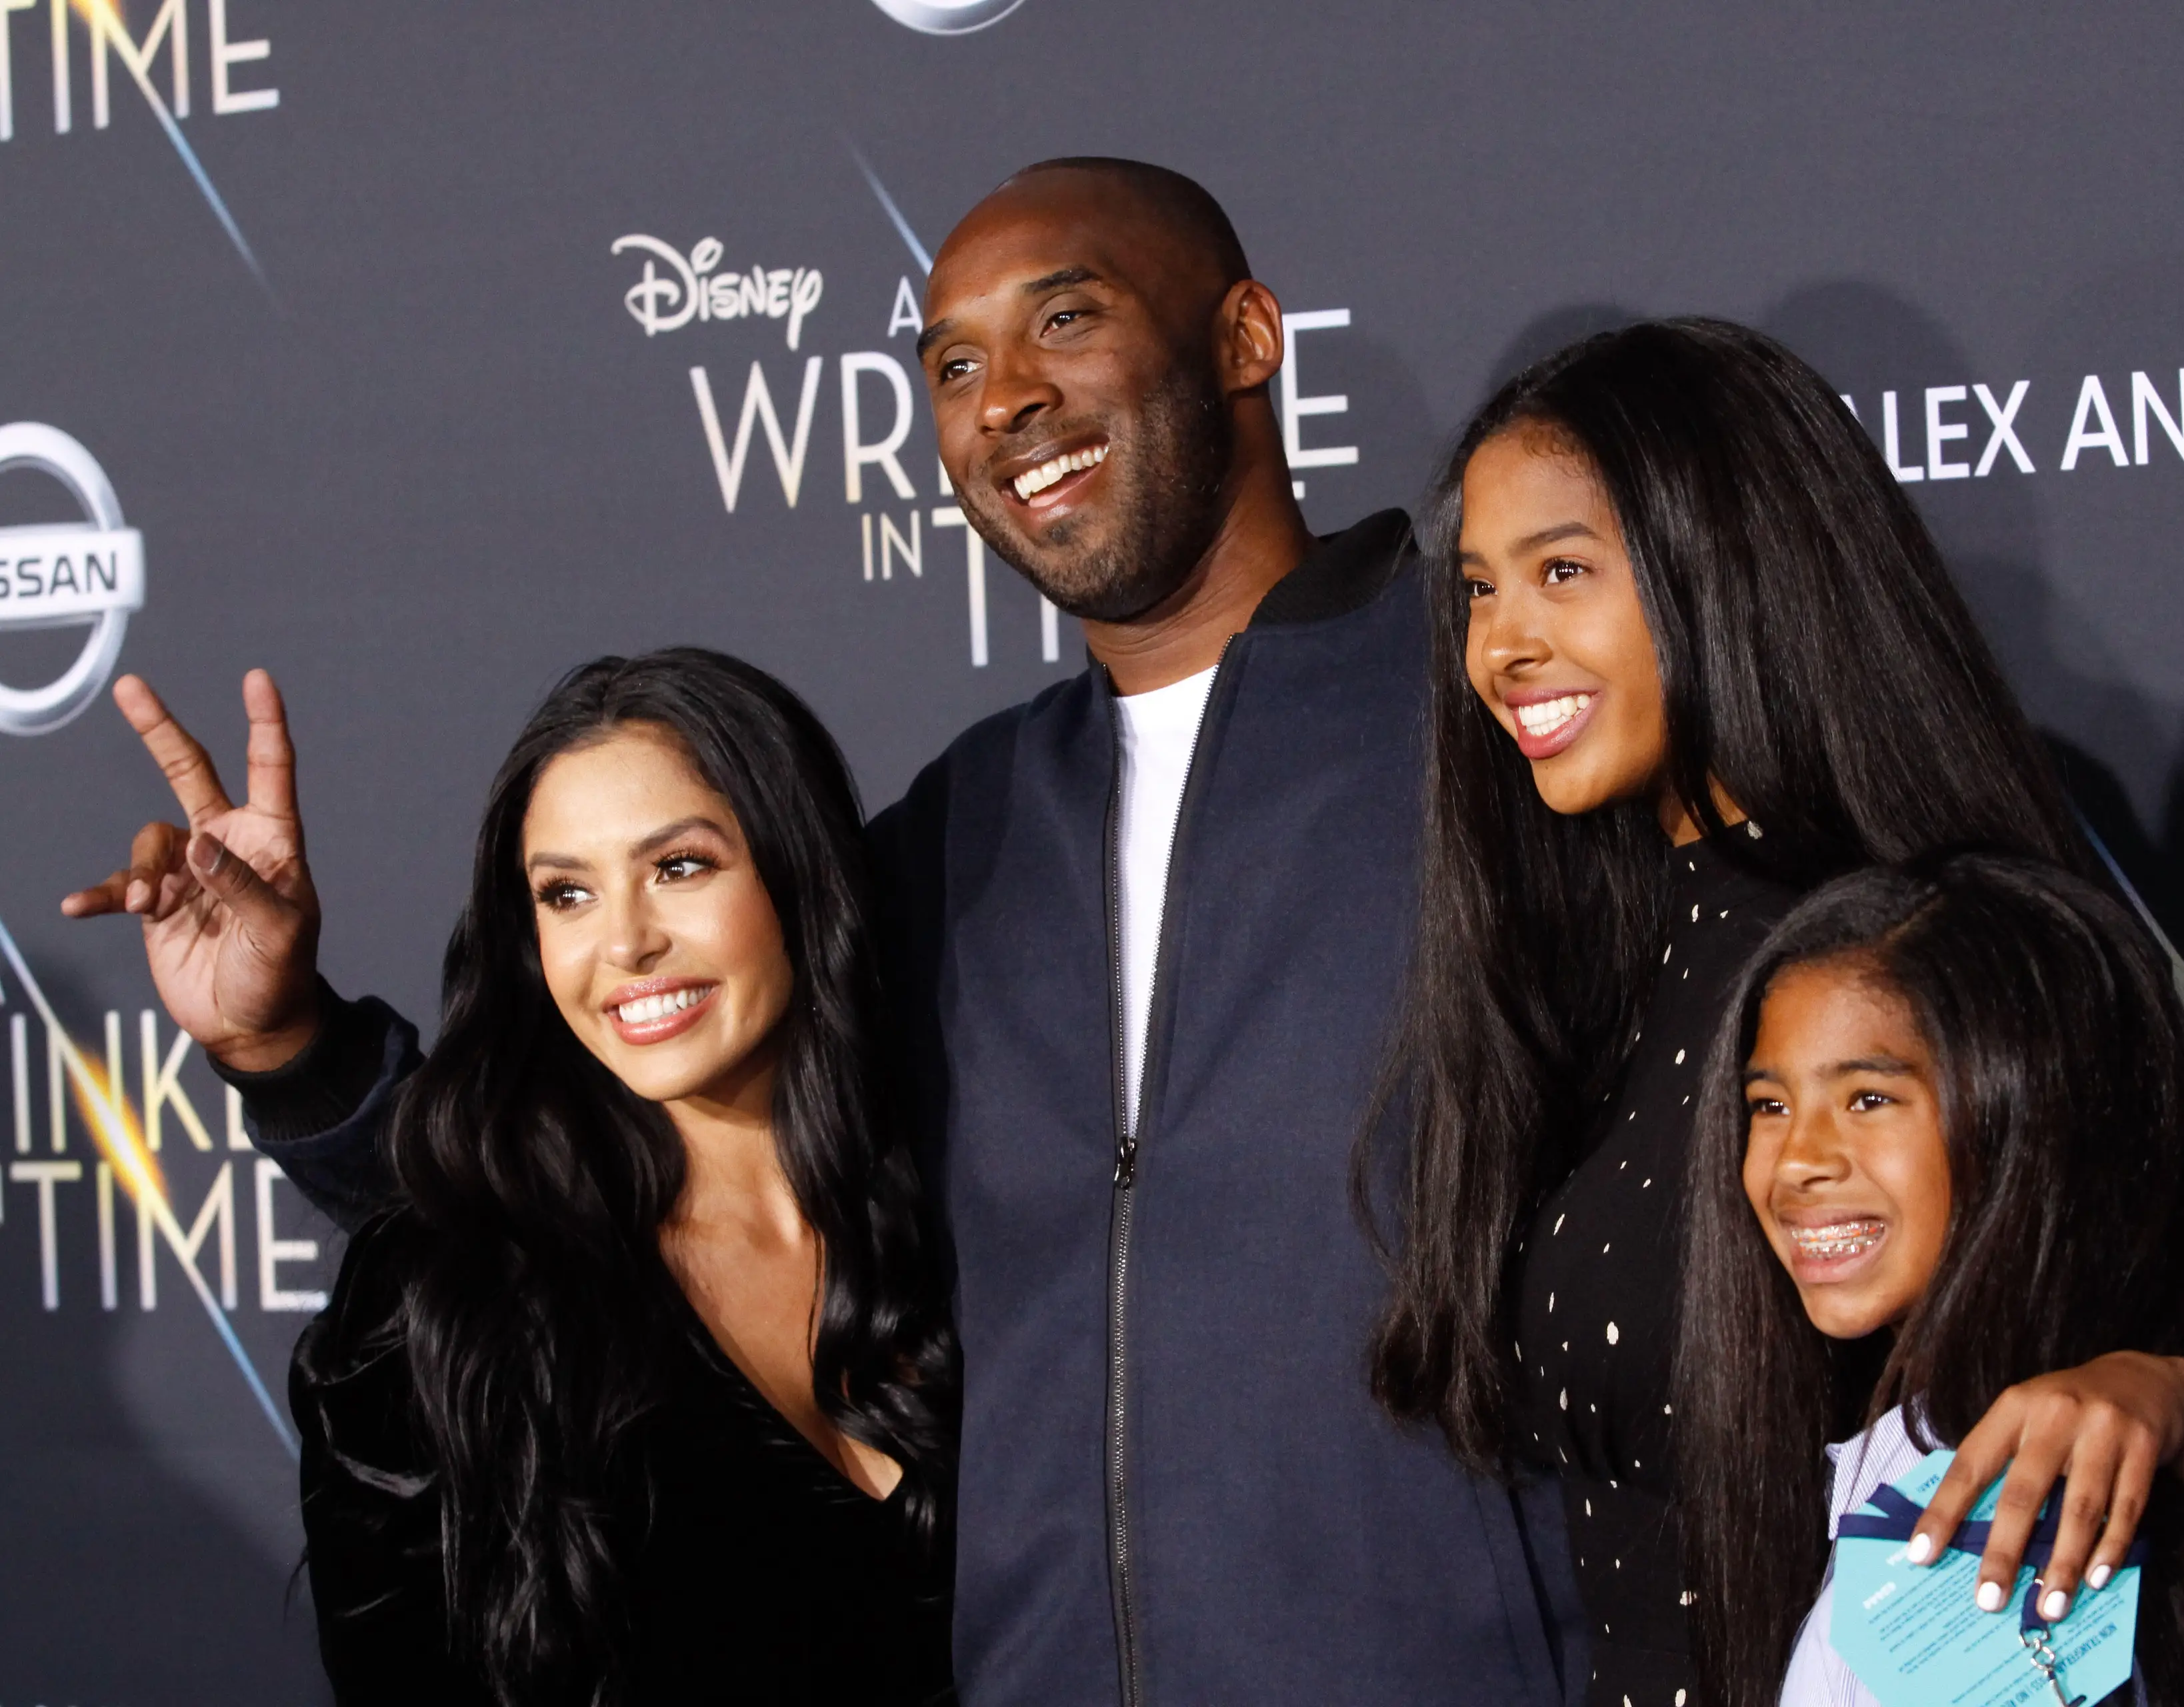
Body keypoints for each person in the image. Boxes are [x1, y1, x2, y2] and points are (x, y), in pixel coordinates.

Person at [66, 161, 1578, 1706]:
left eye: (1066, 318)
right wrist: (295, 1048)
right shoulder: (972, 829)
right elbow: (604, 1151)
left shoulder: (1501, 725)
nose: (1005, 401)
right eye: (954, 366)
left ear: (1248, 335)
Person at [1365, 319, 2184, 1704]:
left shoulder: (1920, 965)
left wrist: (2175, 1397)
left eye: (1564, 573)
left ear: (1728, 569)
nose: (1502, 647)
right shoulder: (1594, 969)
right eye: (1478, 590)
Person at [67, 651, 955, 1704]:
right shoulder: (438, 1317)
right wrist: (285, 1045)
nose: (625, 941)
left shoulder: (960, 1211)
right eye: (567, 893)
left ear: (798, 874)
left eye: (679, 867)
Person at [1702, 853, 2184, 1706]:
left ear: (2024, 1115)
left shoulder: (2054, 1465)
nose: (1798, 1164)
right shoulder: (1884, 1447)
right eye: (1769, 1106)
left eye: (1868, 1099)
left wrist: (2182, 1412)